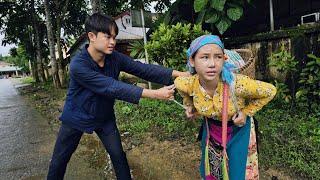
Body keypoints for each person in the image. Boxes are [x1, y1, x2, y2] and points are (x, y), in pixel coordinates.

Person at [47, 13, 188, 180]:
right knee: (59, 161)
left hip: (104, 116)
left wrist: (180, 74)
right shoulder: (78, 65)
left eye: (114, 37)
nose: (113, 42)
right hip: (77, 116)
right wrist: (155, 94)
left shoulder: (114, 58)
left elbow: (143, 69)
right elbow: (112, 87)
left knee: (118, 156)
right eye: (107, 37)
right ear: (92, 36)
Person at [174, 35, 277, 180]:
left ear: (224, 59)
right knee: (212, 169)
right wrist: (190, 105)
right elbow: (179, 86)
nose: (212, 64)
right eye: (204, 57)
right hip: (211, 131)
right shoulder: (188, 84)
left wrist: (246, 113)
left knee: (238, 173)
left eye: (218, 57)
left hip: (238, 131)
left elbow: (270, 90)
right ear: (192, 60)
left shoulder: (238, 84)